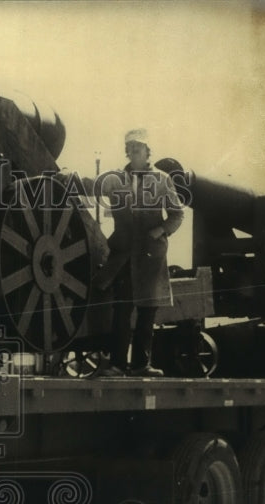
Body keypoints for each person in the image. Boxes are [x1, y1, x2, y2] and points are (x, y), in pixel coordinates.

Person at [96, 128, 185, 377]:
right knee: (122, 311)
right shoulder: (115, 178)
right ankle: (116, 365)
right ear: (127, 151)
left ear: (148, 152)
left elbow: (177, 214)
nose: (135, 152)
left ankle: (141, 365)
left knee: (147, 312)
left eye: (139, 148)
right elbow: (93, 186)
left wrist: (161, 230)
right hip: (124, 254)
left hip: (150, 256)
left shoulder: (162, 179)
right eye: (131, 148)